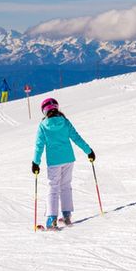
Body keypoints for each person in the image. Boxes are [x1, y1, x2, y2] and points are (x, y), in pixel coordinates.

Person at [32, 97, 95, 229]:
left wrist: (35, 162)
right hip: (68, 159)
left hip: (54, 162)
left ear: (44, 111)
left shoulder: (43, 126)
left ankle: (52, 219)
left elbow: (39, 146)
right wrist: (88, 151)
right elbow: (76, 137)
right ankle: (66, 216)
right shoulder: (65, 122)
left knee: (53, 188)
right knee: (66, 186)